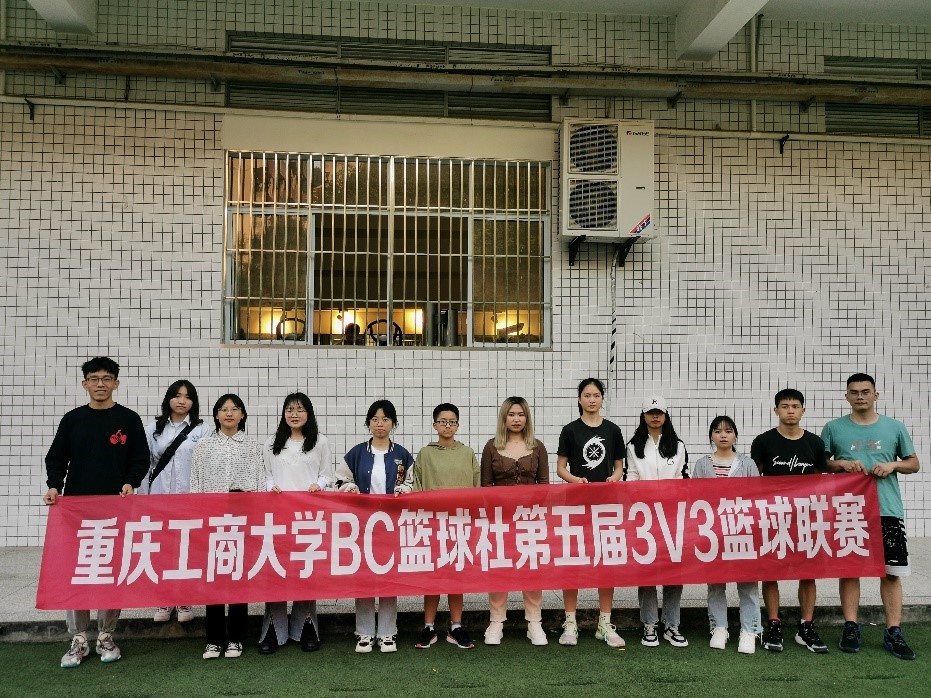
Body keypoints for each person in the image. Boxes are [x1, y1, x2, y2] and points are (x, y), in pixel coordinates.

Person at [44, 356, 149, 668]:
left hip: (116, 509)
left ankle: (106, 635)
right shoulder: (72, 420)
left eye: (106, 378)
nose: (100, 384)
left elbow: (140, 458)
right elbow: (56, 458)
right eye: (94, 379)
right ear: (84, 384)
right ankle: (78, 638)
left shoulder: (129, 419)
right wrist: (54, 486)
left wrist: (131, 481)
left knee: (111, 571)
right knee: (78, 572)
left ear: (116, 383)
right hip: (76, 510)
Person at [822, 373, 920, 660]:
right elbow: (822, 464)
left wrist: (892, 465)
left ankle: (894, 631)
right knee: (850, 569)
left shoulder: (894, 427)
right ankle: (851, 627)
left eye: (866, 391)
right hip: (848, 510)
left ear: (876, 395)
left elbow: (914, 463)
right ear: (847, 397)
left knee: (891, 573)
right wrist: (841, 463)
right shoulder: (833, 428)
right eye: (854, 392)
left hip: (887, 509)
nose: (860, 396)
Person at [750, 388, 829, 653]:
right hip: (772, 515)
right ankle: (774, 623)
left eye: (795, 406)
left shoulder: (815, 443)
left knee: (808, 572)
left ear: (803, 410)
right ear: (776, 410)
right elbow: (754, 479)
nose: (790, 410)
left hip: (806, 517)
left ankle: (806, 626)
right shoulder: (763, 442)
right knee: (770, 570)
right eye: (785, 406)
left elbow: (820, 479)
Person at [396, 402, 480, 650]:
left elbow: (477, 489)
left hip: (460, 523)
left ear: (458, 425)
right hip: (432, 523)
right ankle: (429, 626)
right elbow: (417, 488)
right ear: (434, 425)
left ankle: (456, 626)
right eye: (442, 421)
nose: (447, 426)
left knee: (456, 574)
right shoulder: (425, 454)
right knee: (432, 575)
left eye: (452, 422)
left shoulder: (467, 453)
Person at [337, 399, 414, 654]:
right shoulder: (357, 453)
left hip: (391, 525)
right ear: (368, 423)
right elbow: (340, 480)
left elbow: (413, 482)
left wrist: (404, 490)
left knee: (389, 577)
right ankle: (365, 632)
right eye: (375, 419)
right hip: (363, 525)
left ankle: (388, 632)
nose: (380, 424)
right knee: (364, 577)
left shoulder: (402, 454)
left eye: (385, 419)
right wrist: (350, 488)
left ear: (393, 423)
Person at [259, 392, 334, 655]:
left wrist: (318, 485)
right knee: (277, 570)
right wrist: (271, 487)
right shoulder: (272, 443)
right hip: (278, 516)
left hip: (308, 518)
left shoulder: (320, 442)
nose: (294, 414)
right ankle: (273, 627)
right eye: (290, 409)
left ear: (308, 413)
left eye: (300, 410)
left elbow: (327, 475)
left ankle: (306, 626)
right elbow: (266, 475)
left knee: (305, 571)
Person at [190, 393, 263, 660]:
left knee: (238, 577)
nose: (229, 413)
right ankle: (214, 640)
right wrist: (198, 517)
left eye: (234, 409)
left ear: (243, 415)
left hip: (242, 516)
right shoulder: (203, 446)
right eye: (223, 409)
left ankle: (236, 638)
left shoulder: (253, 446)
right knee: (214, 577)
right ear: (216, 415)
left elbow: (260, 484)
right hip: (212, 516)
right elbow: (196, 484)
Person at [555, 378, 625, 649]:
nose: (592, 399)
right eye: (587, 395)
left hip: (606, 505)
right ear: (579, 399)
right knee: (572, 561)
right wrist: (576, 481)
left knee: (606, 562)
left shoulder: (613, 430)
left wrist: (613, 479)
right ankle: (570, 621)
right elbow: (561, 467)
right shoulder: (570, 430)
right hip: (575, 505)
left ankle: (604, 623)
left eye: (596, 395)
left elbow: (619, 467)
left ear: (602, 398)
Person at [480, 396, 550, 647]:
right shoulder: (491, 447)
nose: (516, 419)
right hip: (500, 520)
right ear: (504, 418)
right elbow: (485, 486)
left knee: (531, 569)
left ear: (527, 418)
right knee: (500, 569)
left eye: (521, 414)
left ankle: (534, 622)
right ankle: (496, 621)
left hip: (530, 519)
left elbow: (544, 485)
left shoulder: (538, 447)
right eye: (511, 414)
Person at [141, 379, 210, 624]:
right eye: (177, 395)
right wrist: (143, 498)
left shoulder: (202, 429)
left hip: (190, 499)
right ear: (168, 398)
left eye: (188, 397)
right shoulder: (154, 428)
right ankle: (164, 599)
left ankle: (184, 600)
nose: (182, 401)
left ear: (194, 402)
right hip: (160, 497)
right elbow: (146, 464)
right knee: (162, 549)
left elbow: (206, 465)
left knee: (187, 549)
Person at [691, 415, 761, 654]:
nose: (723, 435)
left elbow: (758, 496)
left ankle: (749, 630)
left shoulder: (747, 464)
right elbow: (694, 498)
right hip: (713, 532)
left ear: (735, 436)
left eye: (728, 431)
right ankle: (719, 627)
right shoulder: (702, 465)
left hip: (742, 530)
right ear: (711, 435)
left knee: (748, 583)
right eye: (718, 431)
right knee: (715, 583)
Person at [625, 396, 690, 649]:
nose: (655, 416)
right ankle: (649, 624)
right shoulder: (634, 446)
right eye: (651, 412)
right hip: (645, 518)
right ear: (643, 416)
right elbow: (631, 478)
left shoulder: (678, 445)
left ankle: (672, 624)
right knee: (647, 571)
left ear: (665, 415)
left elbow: (683, 478)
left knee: (674, 571)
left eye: (659, 412)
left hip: (672, 517)